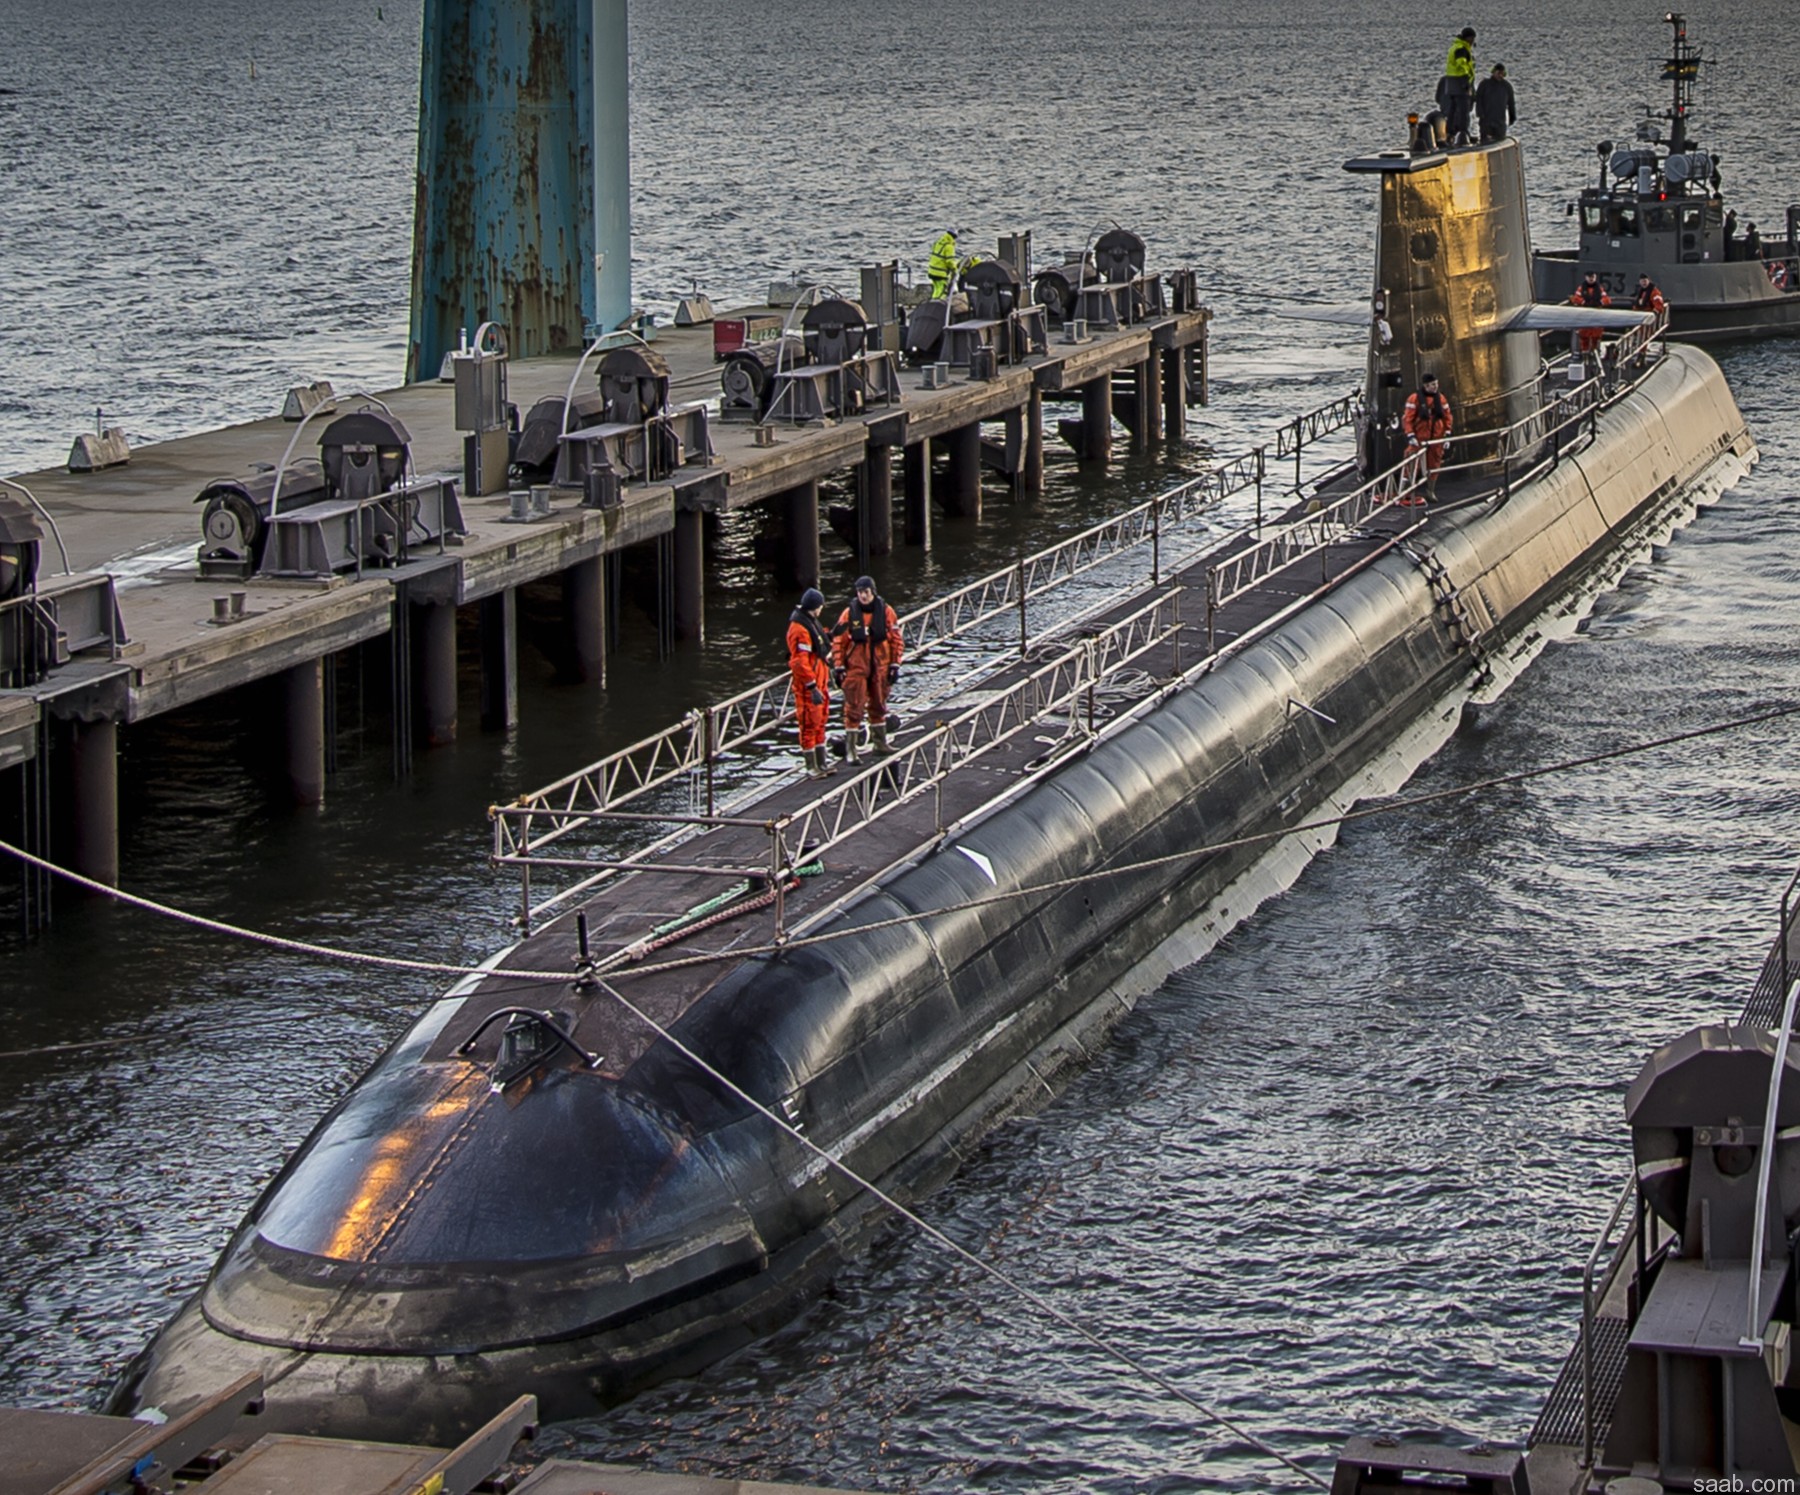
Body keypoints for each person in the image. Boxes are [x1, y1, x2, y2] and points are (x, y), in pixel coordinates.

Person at [831, 575, 904, 759]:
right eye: (860, 592)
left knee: (879, 705)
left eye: (866, 592)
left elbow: (896, 640)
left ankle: (880, 742)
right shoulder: (849, 614)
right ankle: (851, 750)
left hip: (880, 666)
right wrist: (838, 666)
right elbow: (839, 642)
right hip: (856, 667)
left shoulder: (886, 612)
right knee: (854, 708)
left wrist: (895, 664)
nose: (863, 596)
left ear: (873, 592)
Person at [787, 587, 835, 779]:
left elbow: (818, 642)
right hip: (809, 687)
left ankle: (821, 761)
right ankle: (811, 765)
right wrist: (811, 686)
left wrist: (830, 635)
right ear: (815, 607)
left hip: (819, 681)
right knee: (809, 724)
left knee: (821, 720)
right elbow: (800, 661)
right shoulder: (799, 630)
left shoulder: (809, 623)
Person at [1401, 373, 1454, 502]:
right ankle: (1404, 492)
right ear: (1425, 385)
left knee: (1434, 465)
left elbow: (1448, 417)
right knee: (1412, 464)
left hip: (1436, 438)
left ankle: (1430, 491)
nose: (1436, 387)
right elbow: (1407, 419)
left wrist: (1447, 434)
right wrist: (1410, 435)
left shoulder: (1441, 399)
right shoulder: (1414, 399)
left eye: (1436, 384)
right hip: (1419, 438)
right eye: (1433, 385)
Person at [1438, 27, 1477, 146]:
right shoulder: (1461, 49)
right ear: (1468, 38)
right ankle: (1463, 134)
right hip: (1460, 82)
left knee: (1452, 109)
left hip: (1451, 83)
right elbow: (1462, 65)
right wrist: (1465, 80)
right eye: (1472, 38)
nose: (1473, 41)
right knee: (1463, 110)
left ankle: (1450, 133)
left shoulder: (1455, 47)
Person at [1569, 269, 1610, 356]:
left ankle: (1594, 352)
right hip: (1585, 315)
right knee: (1584, 336)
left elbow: (1607, 300)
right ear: (1586, 277)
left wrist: (1600, 302)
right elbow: (1575, 298)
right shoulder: (1581, 289)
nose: (1591, 279)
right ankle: (1585, 353)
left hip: (1596, 314)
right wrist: (1583, 302)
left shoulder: (1599, 289)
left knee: (1596, 336)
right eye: (1589, 277)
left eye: (1593, 277)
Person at [1474, 63, 1515, 142]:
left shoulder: (1507, 86)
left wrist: (1512, 116)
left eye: (1502, 74)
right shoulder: (1484, 84)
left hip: (1500, 122)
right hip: (1486, 120)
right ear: (1493, 72)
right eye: (1498, 73)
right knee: (1485, 140)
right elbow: (1478, 99)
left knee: (1500, 141)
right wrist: (1479, 113)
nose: (1500, 76)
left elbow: (1511, 103)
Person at [928, 228, 962, 298]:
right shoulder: (949, 246)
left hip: (932, 271)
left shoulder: (939, 242)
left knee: (936, 290)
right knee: (942, 292)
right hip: (941, 274)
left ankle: (932, 304)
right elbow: (949, 261)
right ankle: (939, 306)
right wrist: (955, 269)